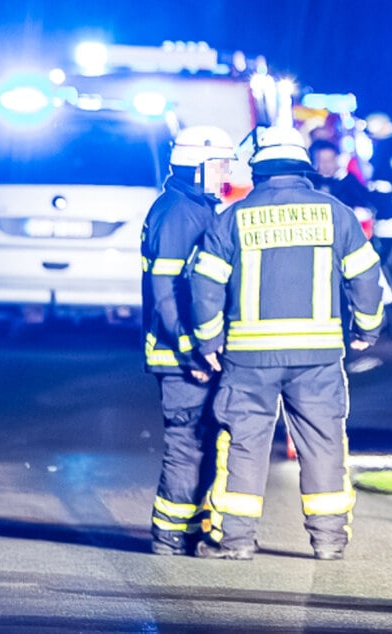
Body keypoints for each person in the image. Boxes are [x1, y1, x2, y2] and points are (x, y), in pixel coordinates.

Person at [190, 125, 384, 561]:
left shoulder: (232, 218)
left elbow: (204, 286)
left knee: (244, 443)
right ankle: (329, 540)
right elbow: (367, 278)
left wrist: (208, 341)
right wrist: (366, 330)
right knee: (325, 444)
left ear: (257, 168)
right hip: (317, 358)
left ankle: (236, 540)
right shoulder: (336, 213)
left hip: (248, 358)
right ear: (304, 166)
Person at [141, 125, 237, 556]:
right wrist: (190, 349)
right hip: (179, 356)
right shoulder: (178, 212)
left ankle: (187, 529)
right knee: (186, 445)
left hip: (186, 352)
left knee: (200, 441)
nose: (225, 172)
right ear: (196, 165)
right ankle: (168, 535)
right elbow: (166, 292)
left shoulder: (191, 207)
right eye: (219, 164)